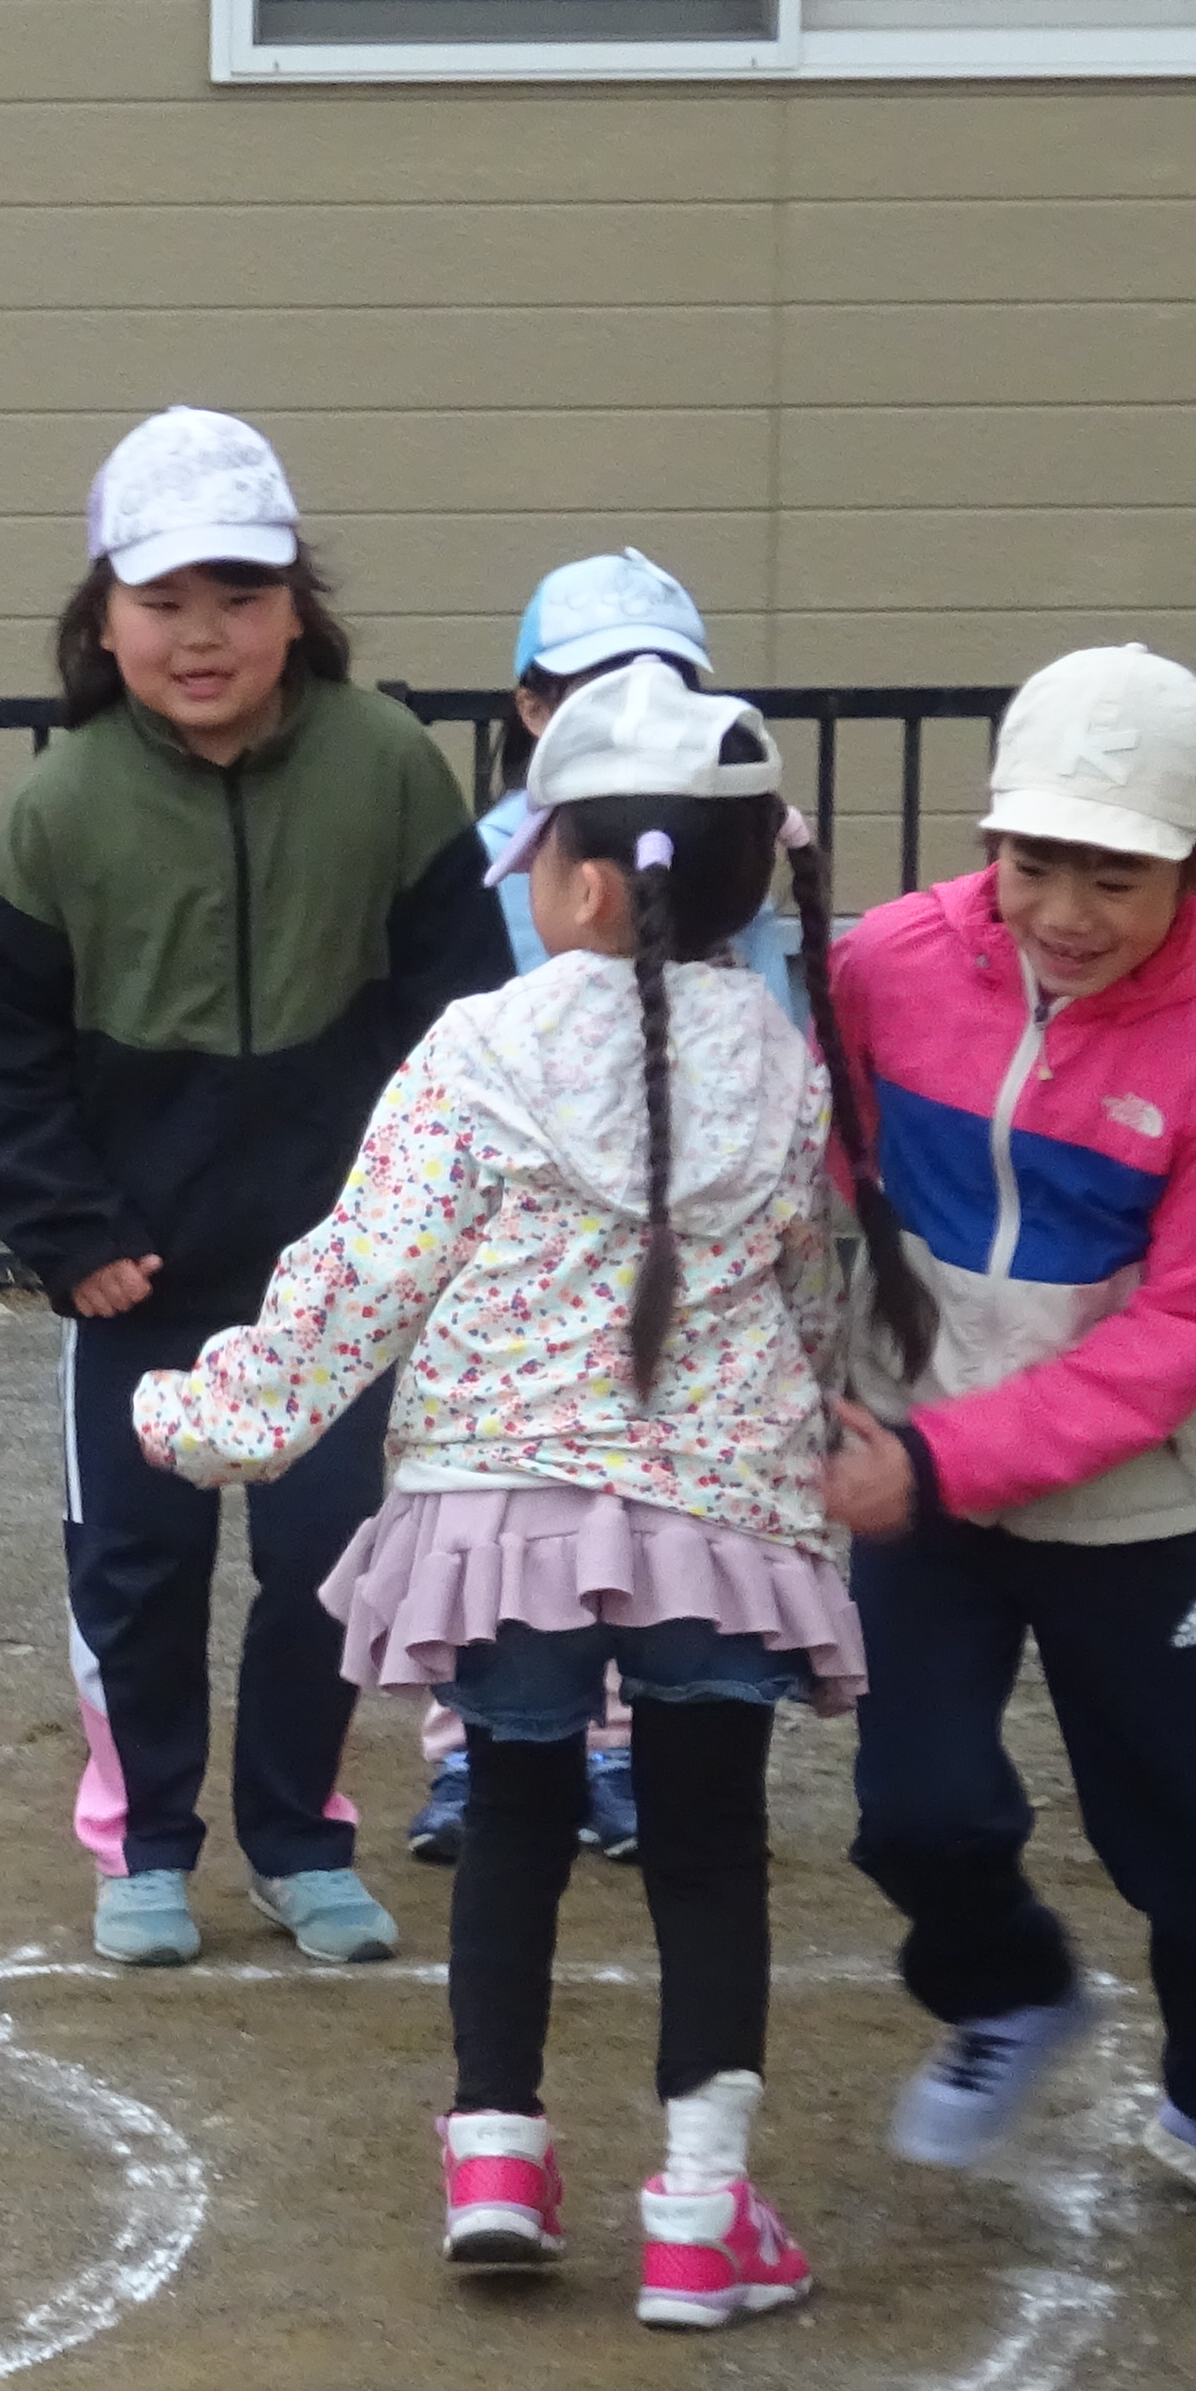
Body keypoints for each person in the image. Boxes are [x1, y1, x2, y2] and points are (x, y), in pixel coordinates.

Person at [136, 665, 899, 2322]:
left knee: (515, 1823)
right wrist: (819, 1443)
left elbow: (361, 1275)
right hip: (715, 1518)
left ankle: (495, 2155)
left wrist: (212, 1419)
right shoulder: (784, 1063)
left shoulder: (480, 1048)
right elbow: (806, 1291)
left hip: (507, 1517)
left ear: (587, 882)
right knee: (710, 1849)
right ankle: (702, 2214)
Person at [0, 406, 513, 1969]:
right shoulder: (62, 805)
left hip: (341, 1285)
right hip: (139, 1278)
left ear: (297, 608)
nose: (203, 636)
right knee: (136, 1568)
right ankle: (145, 1846)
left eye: (241, 597)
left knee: (331, 1562)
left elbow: (463, 1018)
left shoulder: (387, 767)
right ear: (103, 618)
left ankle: (298, 1838)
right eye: (164, 601)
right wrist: (71, 1232)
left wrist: (417, 1230)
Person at [821, 645, 1196, 2227]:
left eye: (1115, 877)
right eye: (1034, 863)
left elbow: (1189, 1332)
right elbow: (828, 1159)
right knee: (916, 1815)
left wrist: (944, 1460)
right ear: (991, 841)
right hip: (916, 1470)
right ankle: (1012, 1990)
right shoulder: (886, 964)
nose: (1065, 911)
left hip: (1128, 1503)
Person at [413, 546, 792, 1872]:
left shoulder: (724, 847)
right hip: (516, 1244)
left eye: (664, 674)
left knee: (649, 1484)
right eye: (588, 679)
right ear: (529, 704)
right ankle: (477, 1751)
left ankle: (623, 1747)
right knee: (497, 1499)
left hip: (672, 1232)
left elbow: (764, 1023)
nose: (630, 697)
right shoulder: (494, 855)